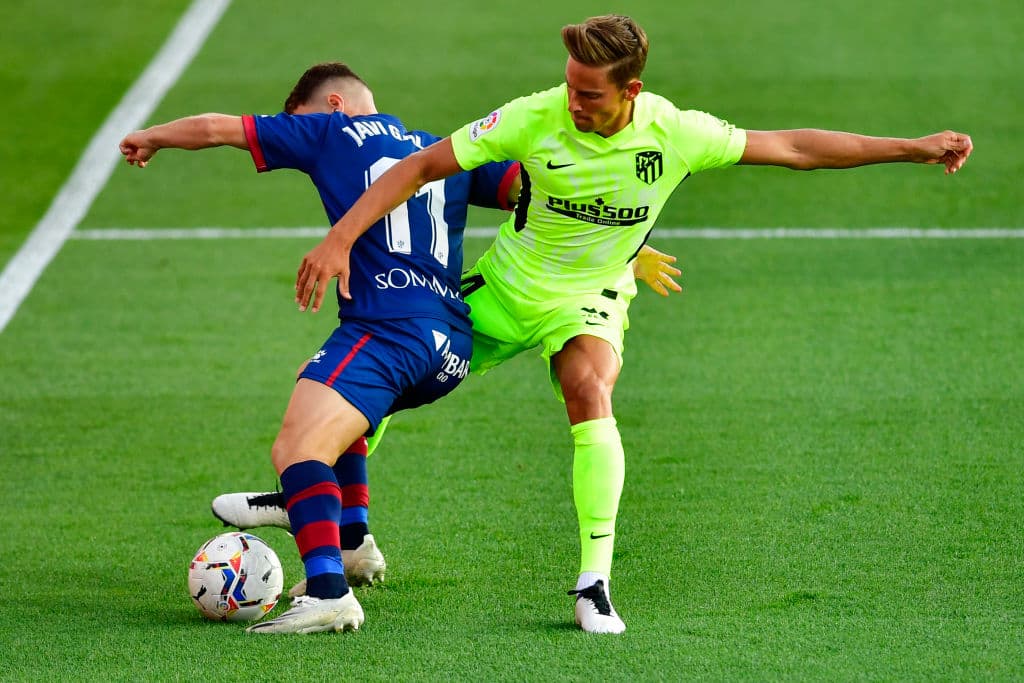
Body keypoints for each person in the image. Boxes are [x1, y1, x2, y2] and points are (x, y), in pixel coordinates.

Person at [289, 15, 973, 635]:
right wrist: (343, 237)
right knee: (391, 370)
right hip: (505, 290)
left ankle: (594, 583)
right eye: (570, 86)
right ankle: (330, 507)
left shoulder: (674, 132)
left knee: (588, 386)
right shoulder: (535, 115)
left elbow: (793, 146)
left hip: (591, 297)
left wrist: (911, 147)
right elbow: (420, 165)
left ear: (631, 89)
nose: (574, 102)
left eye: (589, 93)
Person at [119, 62, 523, 634]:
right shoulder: (443, 150)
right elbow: (532, 191)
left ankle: (329, 591)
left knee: (297, 447)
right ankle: (353, 540)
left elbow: (215, 128)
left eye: (298, 119)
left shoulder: (332, 131)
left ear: (333, 105)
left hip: (389, 329)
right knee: (337, 410)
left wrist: (152, 137)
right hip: (450, 346)